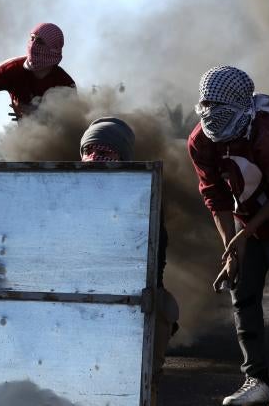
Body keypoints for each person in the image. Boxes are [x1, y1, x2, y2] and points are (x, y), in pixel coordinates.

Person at [187, 66, 269, 406]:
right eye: (207, 107)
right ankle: (255, 379)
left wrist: (245, 236)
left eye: (221, 108)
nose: (213, 116)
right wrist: (230, 249)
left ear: (242, 106)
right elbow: (214, 195)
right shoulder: (200, 140)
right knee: (241, 289)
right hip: (245, 216)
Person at [79, 117, 179, 406]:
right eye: (91, 149)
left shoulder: (143, 195)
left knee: (144, 376)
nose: (96, 158)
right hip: (85, 305)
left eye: (106, 151)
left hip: (137, 299)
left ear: (124, 156)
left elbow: (152, 259)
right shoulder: (68, 194)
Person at [0, 23, 76, 120]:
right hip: (26, 143)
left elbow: (71, 121)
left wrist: (37, 114)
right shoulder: (11, 69)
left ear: (53, 48)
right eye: (32, 39)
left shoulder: (65, 83)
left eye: (40, 41)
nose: (33, 45)